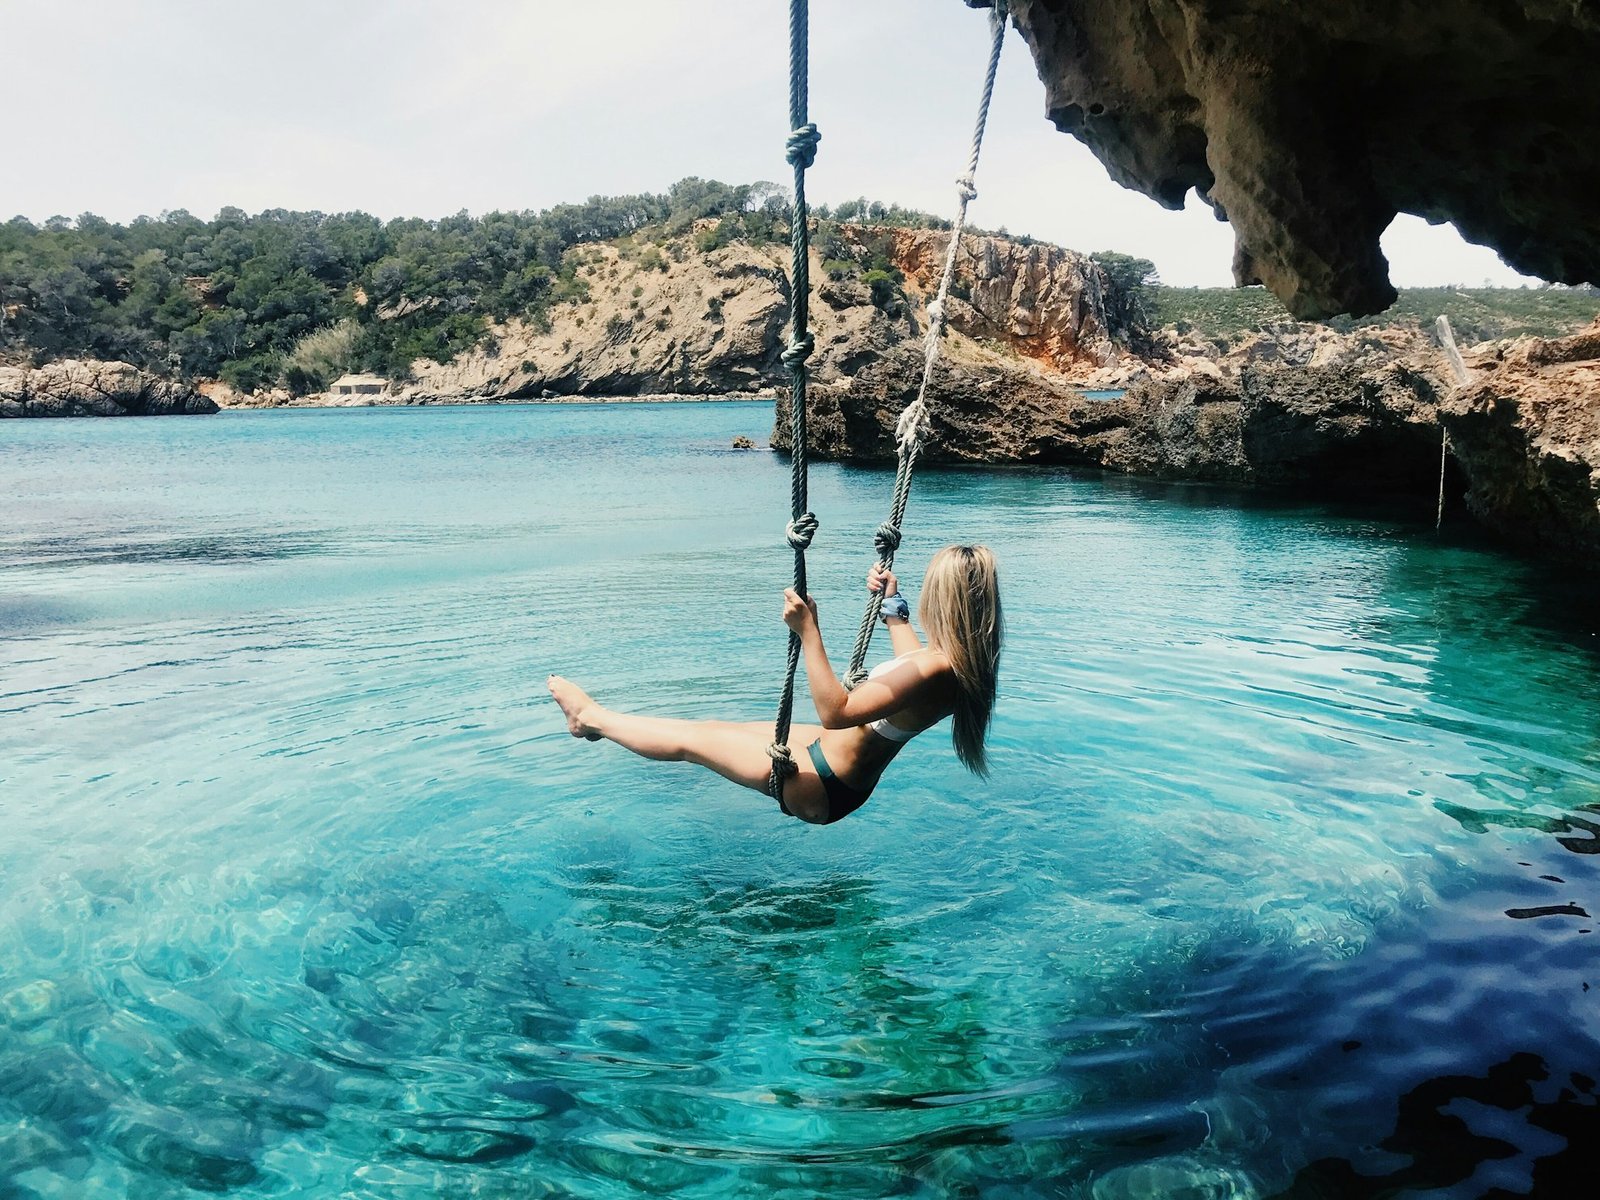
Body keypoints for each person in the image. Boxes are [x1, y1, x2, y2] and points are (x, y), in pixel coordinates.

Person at [547, 544, 1002, 824]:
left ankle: (590, 718)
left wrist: (810, 631)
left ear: (941, 601)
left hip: (821, 783)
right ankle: (594, 720)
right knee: (711, 728)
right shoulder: (957, 666)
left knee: (692, 739)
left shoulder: (937, 669)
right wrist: (891, 604)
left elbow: (835, 711)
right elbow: (910, 662)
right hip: (834, 769)